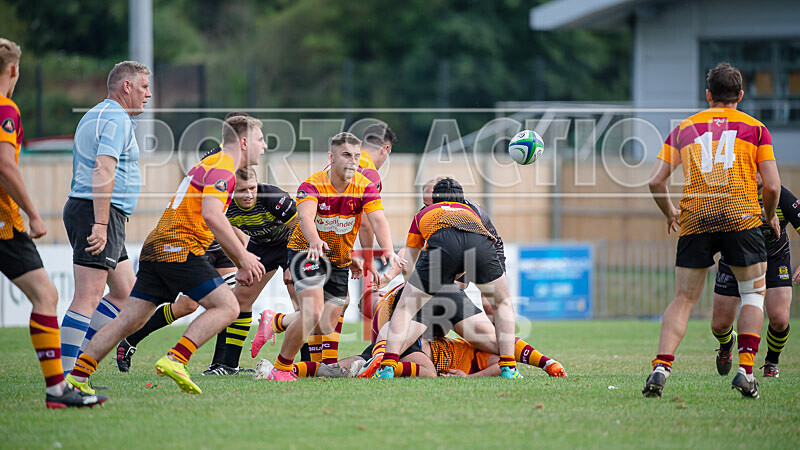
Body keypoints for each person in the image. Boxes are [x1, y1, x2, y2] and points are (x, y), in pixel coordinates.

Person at [65, 115, 266, 397]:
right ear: (244, 142)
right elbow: (212, 214)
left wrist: (238, 257)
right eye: (260, 139)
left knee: (128, 321)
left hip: (156, 246)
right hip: (179, 247)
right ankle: (176, 358)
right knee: (228, 307)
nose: (264, 145)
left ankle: (77, 376)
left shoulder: (211, 163)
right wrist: (243, 258)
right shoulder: (224, 168)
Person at [643, 62, 781, 399]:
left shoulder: (686, 128)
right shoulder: (756, 128)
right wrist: (769, 214)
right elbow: (773, 186)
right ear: (741, 96)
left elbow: (655, 181)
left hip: (696, 218)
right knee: (752, 294)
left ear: (708, 95)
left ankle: (661, 367)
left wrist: (670, 212)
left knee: (684, 298)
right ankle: (746, 372)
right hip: (741, 217)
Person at [0, 37, 106, 408]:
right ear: (14, 70)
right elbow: (4, 164)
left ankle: (59, 389)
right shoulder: (5, 108)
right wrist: (31, 211)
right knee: (46, 296)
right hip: (4, 223)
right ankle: (57, 390)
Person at [264, 132, 403, 381]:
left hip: (338, 258)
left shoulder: (365, 186)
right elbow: (305, 217)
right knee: (312, 311)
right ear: (331, 157)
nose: (352, 161)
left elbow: (377, 220)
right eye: (346, 155)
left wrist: (388, 250)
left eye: (357, 156)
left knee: (329, 319)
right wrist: (316, 240)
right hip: (306, 251)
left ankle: (280, 326)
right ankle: (281, 368)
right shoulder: (312, 185)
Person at [376, 178, 520, 379]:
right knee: (502, 304)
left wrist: (413, 288)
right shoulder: (473, 211)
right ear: (462, 198)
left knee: (405, 307)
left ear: (433, 199)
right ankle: (509, 368)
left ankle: (388, 367)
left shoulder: (424, 213)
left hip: (444, 245)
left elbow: (409, 258)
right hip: (480, 243)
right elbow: (493, 241)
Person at [60, 61, 151, 374]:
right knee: (87, 296)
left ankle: (77, 365)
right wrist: (100, 223)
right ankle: (68, 375)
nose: (148, 94)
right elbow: (103, 168)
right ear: (126, 86)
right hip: (97, 211)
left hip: (95, 210)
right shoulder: (116, 117)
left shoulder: (96, 113)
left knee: (125, 291)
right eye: (143, 87)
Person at [712, 182, 799, 378]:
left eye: (763, 167)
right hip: (736, 258)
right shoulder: (731, 193)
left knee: (779, 318)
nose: (759, 173)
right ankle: (727, 345)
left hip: (775, 259)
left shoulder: (781, 195)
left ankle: (771, 361)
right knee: (719, 325)